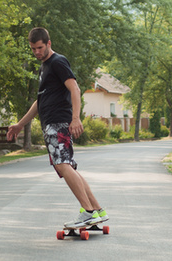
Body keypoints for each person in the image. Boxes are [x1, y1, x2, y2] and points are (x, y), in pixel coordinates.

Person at [7, 27, 108, 228]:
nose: (37, 52)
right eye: (33, 48)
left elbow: (75, 88)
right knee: (68, 166)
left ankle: (88, 212)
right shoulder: (44, 67)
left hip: (58, 123)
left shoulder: (57, 62)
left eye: (40, 47)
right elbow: (39, 102)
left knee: (61, 164)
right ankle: (97, 210)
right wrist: (20, 124)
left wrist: (76, 118)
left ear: (49, 43)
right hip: (51, 124)